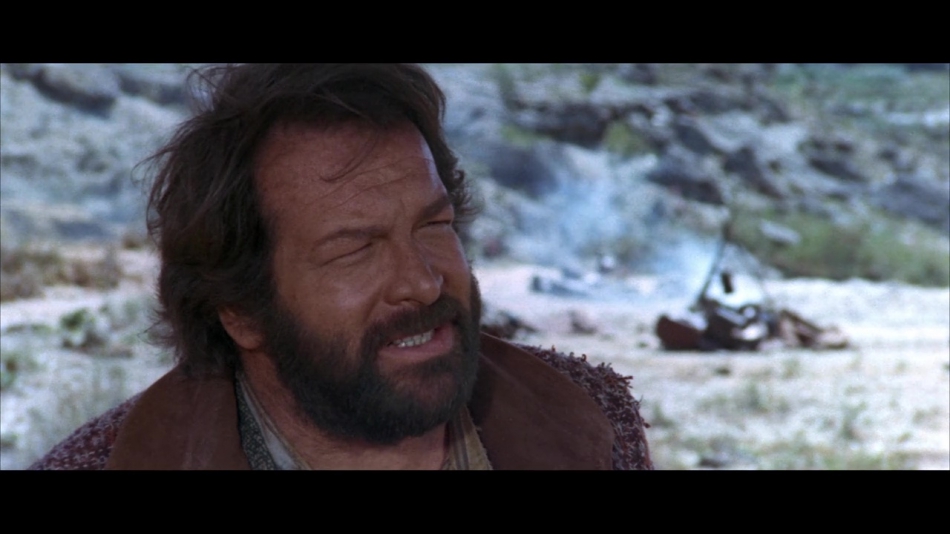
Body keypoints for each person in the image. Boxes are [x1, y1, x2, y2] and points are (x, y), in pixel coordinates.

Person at [29, 64, 653, 470]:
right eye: (355, 248)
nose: (423, 282)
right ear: (241, 310)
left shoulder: (593, 421)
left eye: (434, 226)